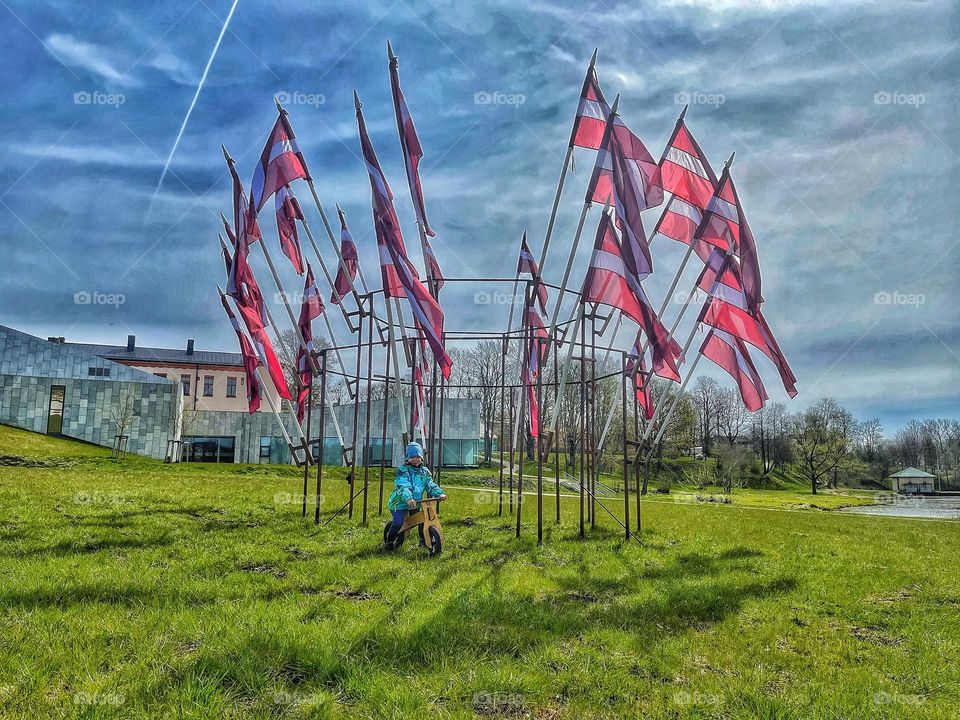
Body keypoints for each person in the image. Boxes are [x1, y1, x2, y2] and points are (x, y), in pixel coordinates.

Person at [386, 442, 446, 542]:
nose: (415, 459)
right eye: (412, 457)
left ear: (421, 458)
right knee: (398, 522)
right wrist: (408, 498)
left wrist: (439, 493)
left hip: (415, 503)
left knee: (423, 518)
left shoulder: (424, 472)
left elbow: (430, 484)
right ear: (407, 458)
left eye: (418, 457)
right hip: (399, 503)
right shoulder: (403, 470)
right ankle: (390, 541)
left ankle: (423, 540)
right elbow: (403, 485)